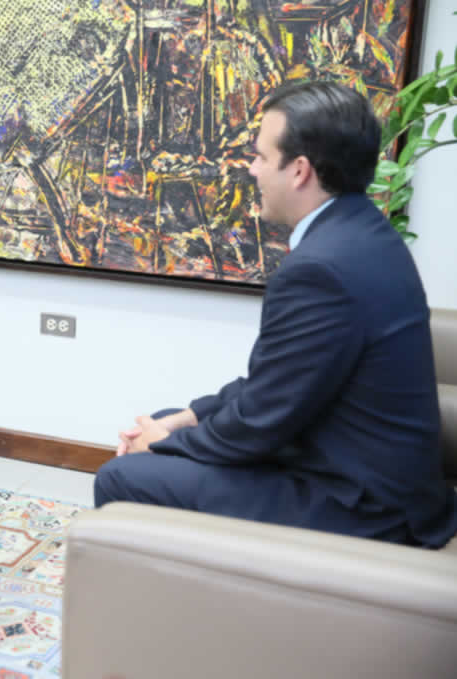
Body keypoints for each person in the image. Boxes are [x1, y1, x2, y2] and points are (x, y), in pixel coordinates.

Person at [94, 81, 457, 548]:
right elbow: (278, 383)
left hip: (362, 505)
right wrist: (184, 420)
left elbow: (260, 421)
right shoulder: (363, 231)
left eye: (261, 157)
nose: (252, 168)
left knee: (123, 477)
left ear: (300, 170)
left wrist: (158, 443)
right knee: (169, 418)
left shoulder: (321, 270)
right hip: (358, 468)